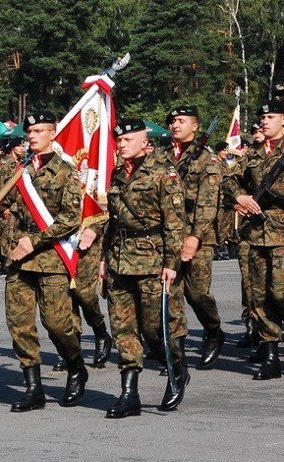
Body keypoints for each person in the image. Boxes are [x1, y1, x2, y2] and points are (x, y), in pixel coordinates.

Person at [0, 111, 88, 411]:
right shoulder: (21, 171)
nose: (32, 136)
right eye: (30, 131)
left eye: (39, 130)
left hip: (49, 257)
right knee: (20, 325)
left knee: (57, 324)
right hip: (18, 260)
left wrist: (33, 241)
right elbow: (1, 201)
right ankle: (33, 387)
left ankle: (76, 366)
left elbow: (72, 218)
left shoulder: (65, 171)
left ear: (53, 132)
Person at [224, 100, 284, 381]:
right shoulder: (250, 154)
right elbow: (227, 180)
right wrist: (239, 196)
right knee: (258, 296)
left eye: (271, 116)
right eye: (262, 116)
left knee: (283, 293)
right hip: (254, 232)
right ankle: (271, 354)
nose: (265, 121)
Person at [101, 118, 187, 418]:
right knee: (123, 329)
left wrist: (171, 263)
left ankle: (176, 367)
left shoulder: (164, 174)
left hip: (152, 259)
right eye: (119, 140)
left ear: (143, 142)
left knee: (155, 329)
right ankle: (129, 393)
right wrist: (103, 260)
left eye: (127, 139)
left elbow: (175, 223)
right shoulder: (116, 174)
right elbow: (112, 223)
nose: (121, 144)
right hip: (119, 260)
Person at [163, 106, 226, 370]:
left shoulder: (207, 160)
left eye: (181, 121)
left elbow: (208, 203)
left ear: (196, 126)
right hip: (169, 235)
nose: (176, 125)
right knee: (172, 294)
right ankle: (177, 352)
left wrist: (195, 236)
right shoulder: (161, 155)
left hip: (197, 235)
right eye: (173, 121)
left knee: (198, 293)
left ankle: (213, 330)